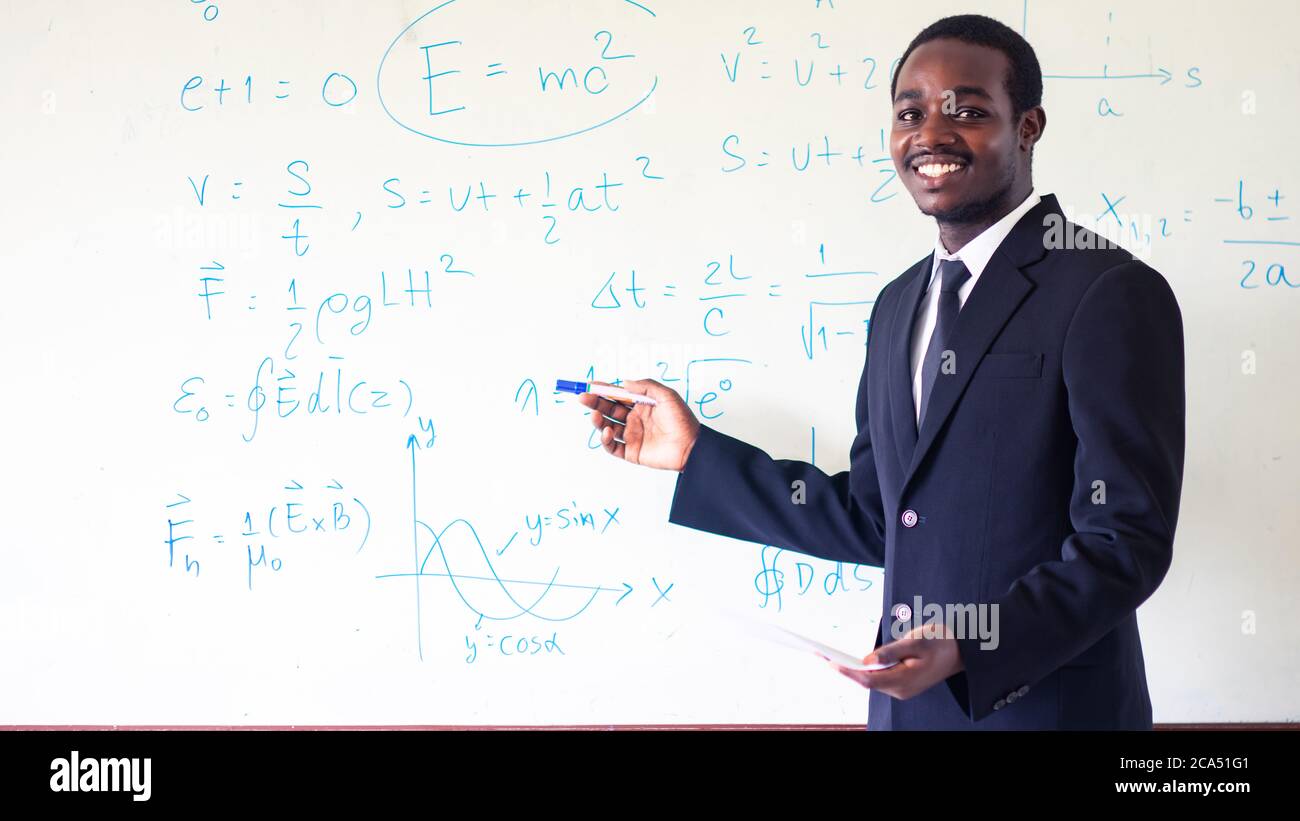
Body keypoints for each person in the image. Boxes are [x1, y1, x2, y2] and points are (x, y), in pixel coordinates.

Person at [576, 13, 1185, 730]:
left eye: (969, 110)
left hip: (1050, 712)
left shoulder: (1105, 289)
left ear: (1028, 126)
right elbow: (879, 515)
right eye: (910, 112)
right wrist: (695, 454)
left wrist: (968, 642)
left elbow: (1126, 541)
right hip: (908, 713)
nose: (932, 133)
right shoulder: (898, 306)